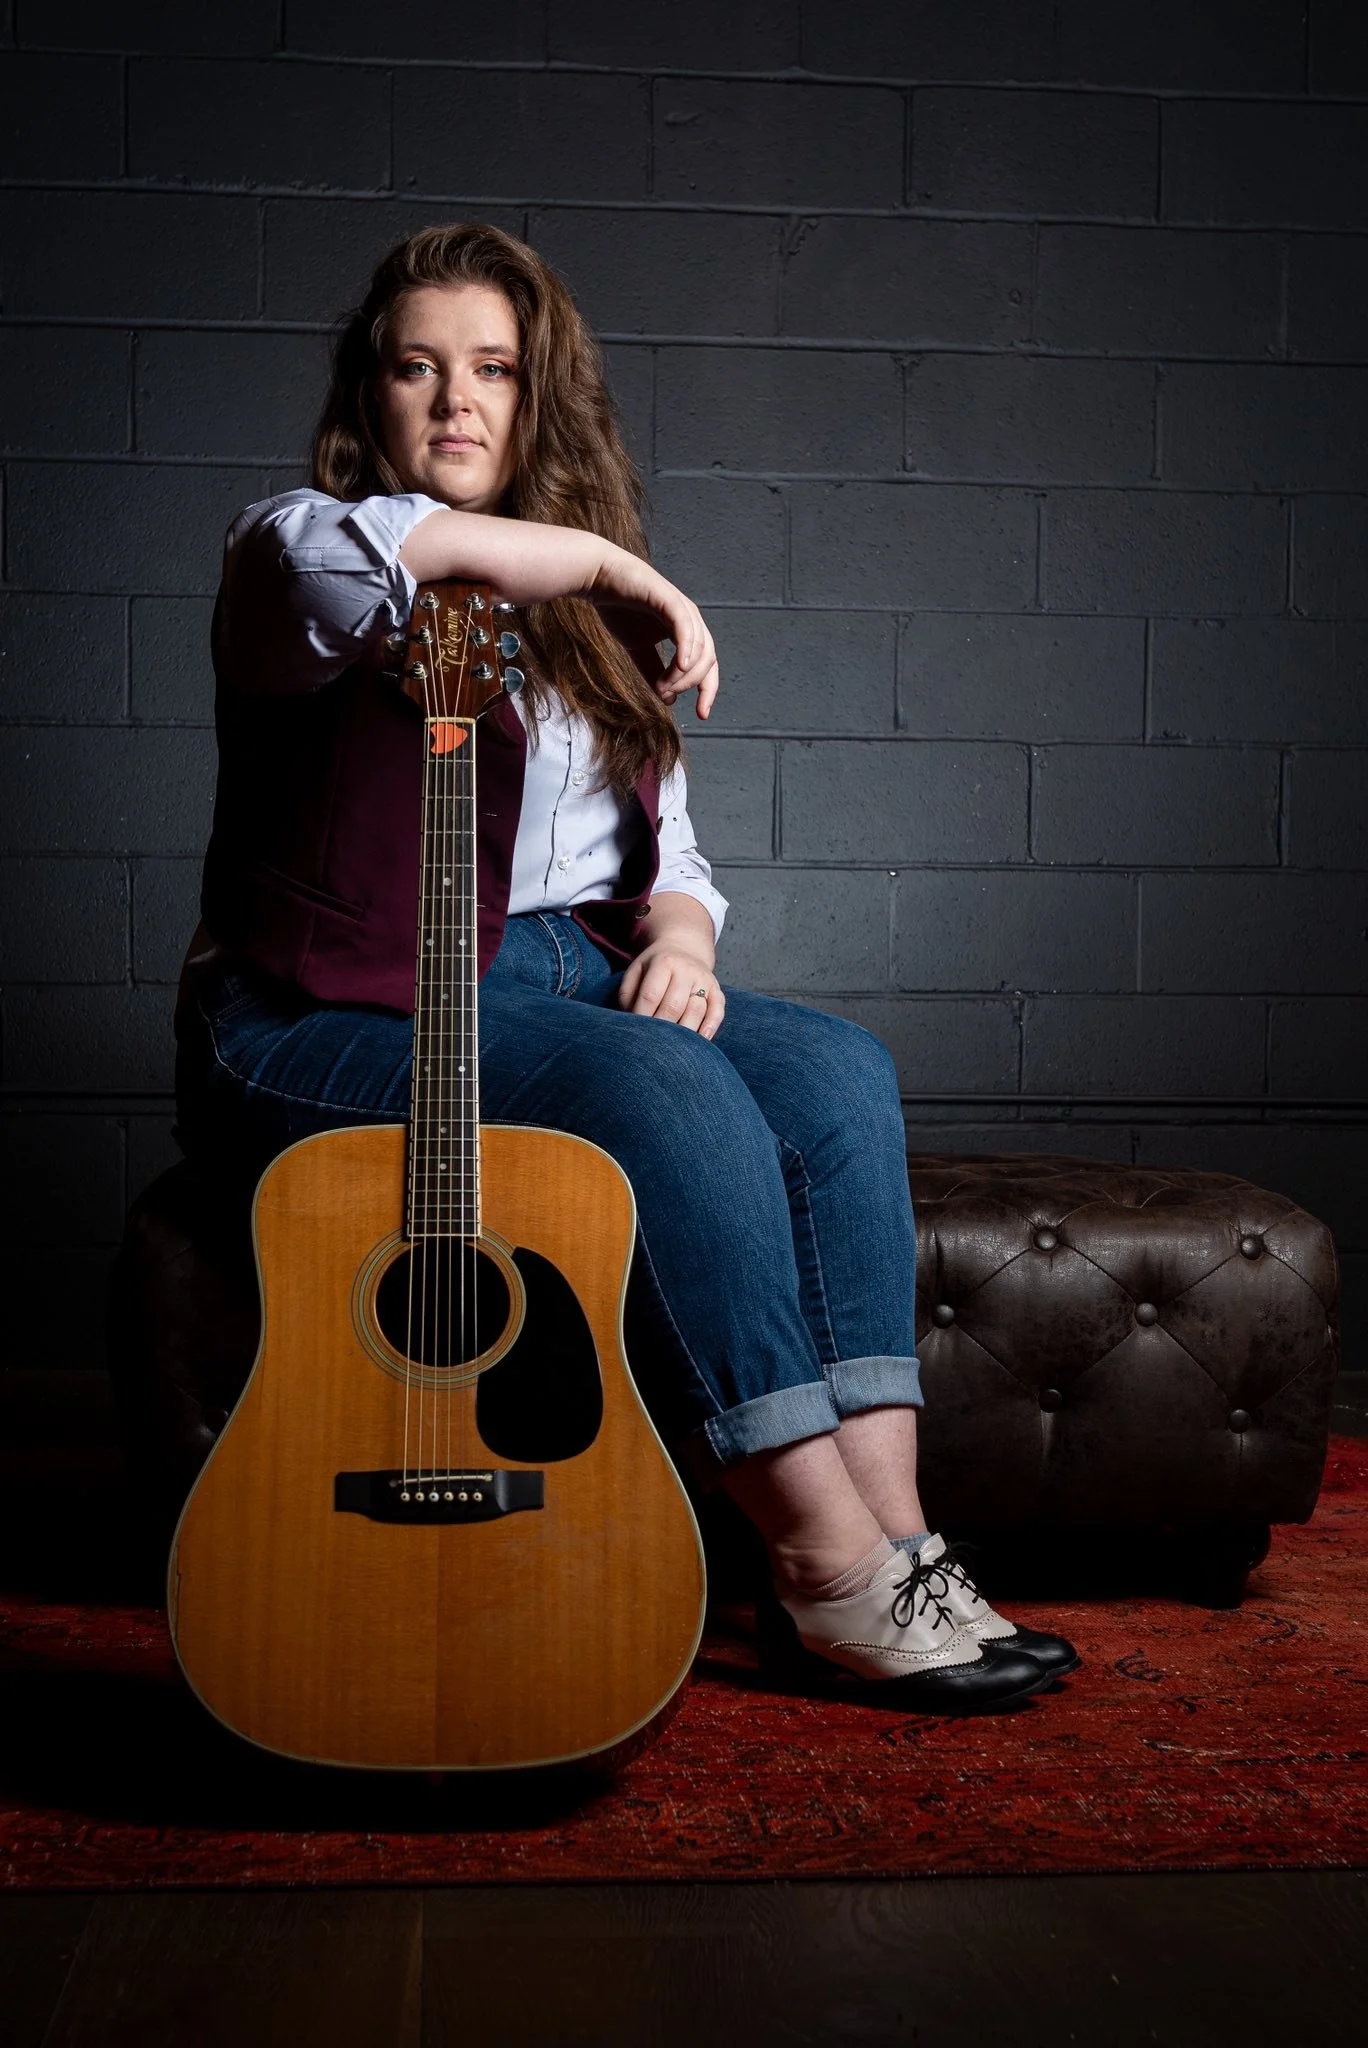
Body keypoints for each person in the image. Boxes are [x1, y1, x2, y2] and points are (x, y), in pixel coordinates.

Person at [175, 222, 1077, 1714]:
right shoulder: (299, 553)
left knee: (836, 1069)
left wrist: (679, 935)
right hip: (315, 1017)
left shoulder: (597, 628)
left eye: (495, 370)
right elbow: (433, 552)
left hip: (556, 984)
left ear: (543, 401)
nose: (456, 400)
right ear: (371, 398)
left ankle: (902, 1543)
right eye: (419, 367)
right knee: (658, 1088)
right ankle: (819, 1561)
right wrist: (615, 562)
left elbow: (668, 856)